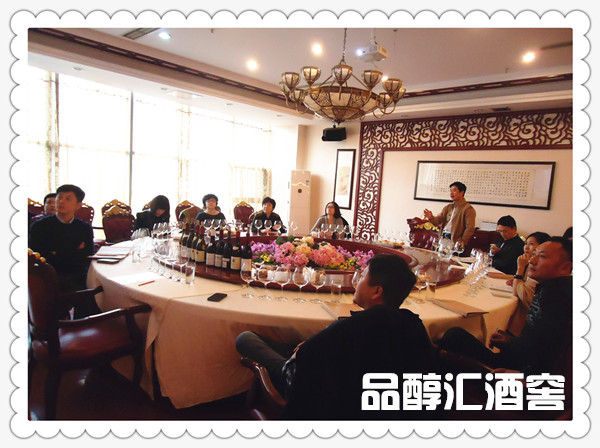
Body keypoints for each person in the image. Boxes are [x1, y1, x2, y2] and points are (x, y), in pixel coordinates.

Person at [236, 253, 439, 420]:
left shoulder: (351, 327)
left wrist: (299, 355)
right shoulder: (412, 324)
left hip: (313, 388)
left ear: (377, 291)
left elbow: (307, 361)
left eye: (362, 277)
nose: (357, 281)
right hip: (366, 400)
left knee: (246, 338)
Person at [437, 237, 572, 378]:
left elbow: (557, 350)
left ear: (566, 268)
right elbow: (539, 339)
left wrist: (526, 376)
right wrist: (511, 342)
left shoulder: (558, 297)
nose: (532, 261)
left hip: (517, 370)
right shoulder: (551, 289)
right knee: (455, 335)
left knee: (452, 337)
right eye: (534, 254)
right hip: (519, 358)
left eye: (542, 257)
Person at [29, 184, 97, 318]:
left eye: (68, 199)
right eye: (59, 197)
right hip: (50, 276)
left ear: (78, 205)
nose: (61, 201)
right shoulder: (40, 226)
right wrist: (74, 252)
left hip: (78, 274)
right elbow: (42, 259)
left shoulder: (84, 227)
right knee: (83, 292)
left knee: (98, 287)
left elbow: (87, 256)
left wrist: (58, 253)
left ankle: (83, 324)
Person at [506, 231, 550, 336]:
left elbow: (520, 294)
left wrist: (520, 269)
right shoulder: (531, 262)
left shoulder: (538, 269)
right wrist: (518, 281)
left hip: (523, 325)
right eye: (526, 243)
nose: (526, 247)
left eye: (531, 244)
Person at [423, 181, 476, 247]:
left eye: (454, 190)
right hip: (443, 238)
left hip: (455, 242)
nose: (451, 193)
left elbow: (470, 228)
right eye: (450, 190)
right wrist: (431, 217)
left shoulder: (468, 209)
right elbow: (439, 219)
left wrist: (462, 242)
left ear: (462, 193)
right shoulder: (448, 207)